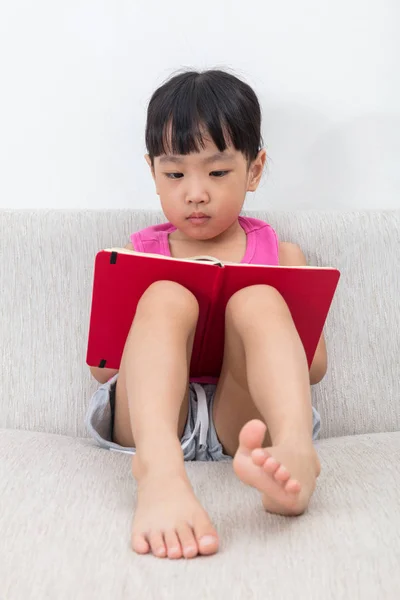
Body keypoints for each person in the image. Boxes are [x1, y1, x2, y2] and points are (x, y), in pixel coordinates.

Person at [86, 69, 326, 560]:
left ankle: (296, 453)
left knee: (258, 298)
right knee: (165, 295)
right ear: (153, 173)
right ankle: (159, 472)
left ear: (254, 171)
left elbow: (315, 367)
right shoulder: (133, 254)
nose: (195, 192)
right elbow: (103, 369)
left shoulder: (283, 254)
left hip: (242, 420)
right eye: (175, 175)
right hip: (157, 422)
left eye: (217, 173)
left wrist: (265, 312)